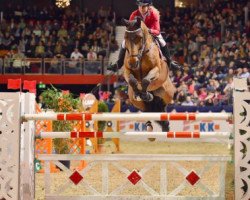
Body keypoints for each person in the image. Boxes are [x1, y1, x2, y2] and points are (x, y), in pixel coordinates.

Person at [108, 0, 182, 72]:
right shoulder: (134, 14)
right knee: (124, 43)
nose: (141, 8)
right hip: (137, 35)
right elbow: (130, 27)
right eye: (139, 6)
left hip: (151, 32)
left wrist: (148, 31)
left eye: (143, 6)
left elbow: (157, 30)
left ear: (148, 6)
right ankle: (119, 63)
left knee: (162, 42)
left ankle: (170, 62)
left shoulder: (154, 14)